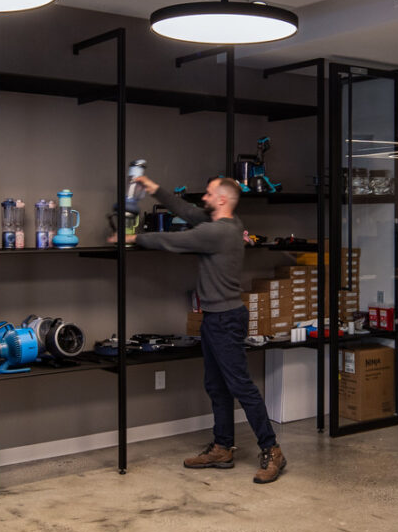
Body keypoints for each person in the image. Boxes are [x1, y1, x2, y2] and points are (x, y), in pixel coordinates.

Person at [121, 172, 286, 484]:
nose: (204, 198)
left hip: (226, 319)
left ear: (222, 200)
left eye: (209, 194)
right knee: (216, 385)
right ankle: (222, 447)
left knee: (241, 386)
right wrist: (154, 188)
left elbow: (174, 241)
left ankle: (272, 449)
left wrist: (132, 238)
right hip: (215, 318)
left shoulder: (217, 232)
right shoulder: (227, 223)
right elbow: (187, 211)